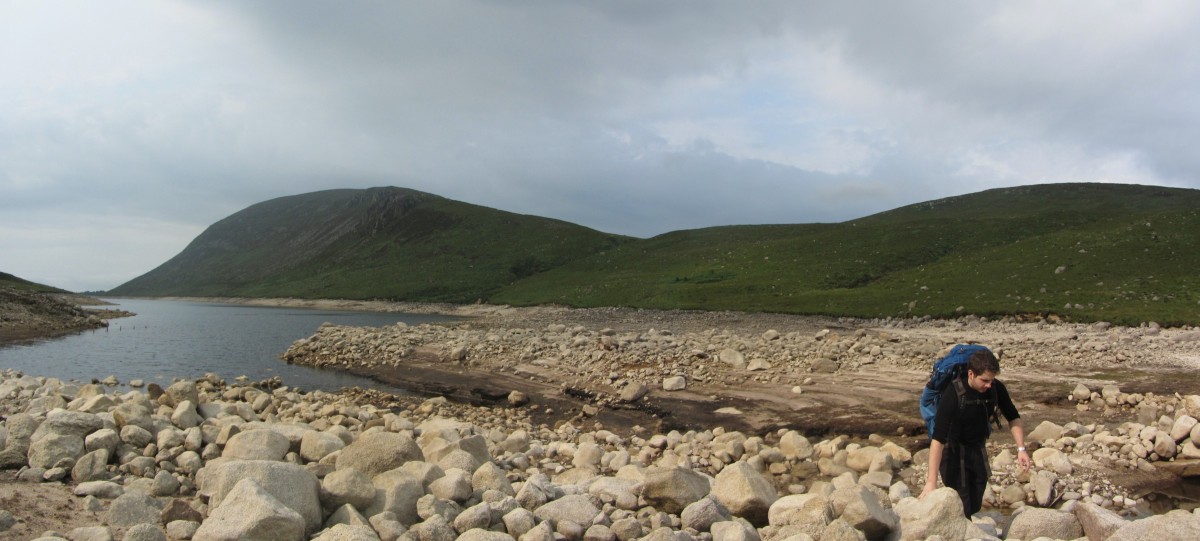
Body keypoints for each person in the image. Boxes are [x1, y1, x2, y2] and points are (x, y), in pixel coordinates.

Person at [919, 347, 1031, 516]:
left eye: (992, 380)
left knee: (976, 500)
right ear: (971, 374)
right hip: (953, 450)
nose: (989, 384)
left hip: (977, 447)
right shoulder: (953, 393)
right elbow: (938, 439)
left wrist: (1021, 449)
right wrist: (931, 482)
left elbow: (1013, 417)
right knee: (962, 505)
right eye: (985, 380)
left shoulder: (995, 388)